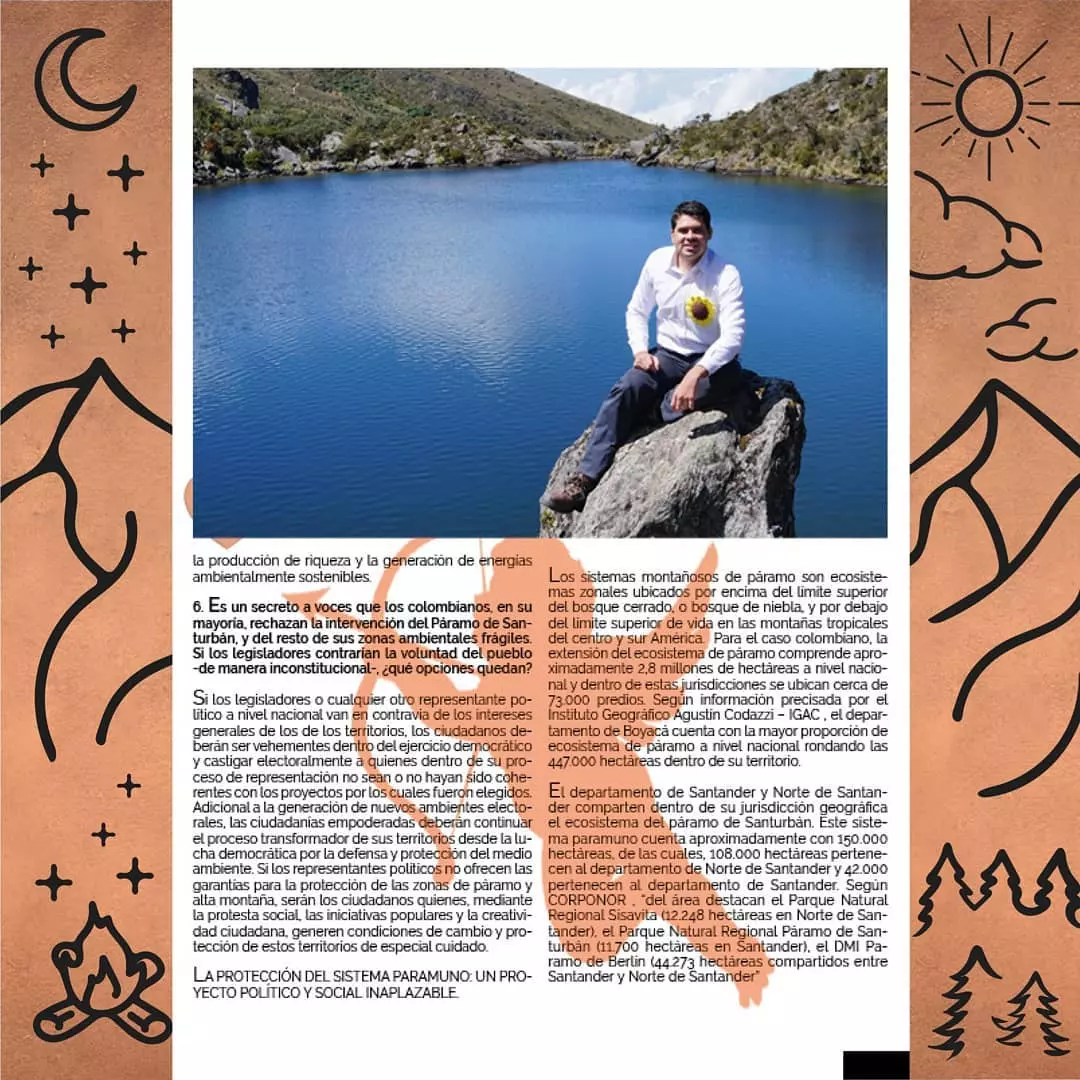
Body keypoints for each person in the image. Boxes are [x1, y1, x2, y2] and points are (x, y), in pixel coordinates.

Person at [544, 199, 746, 513]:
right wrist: (639, 350)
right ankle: (583, 480)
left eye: (697, 231)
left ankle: (653, 413)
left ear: (709, 234)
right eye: (683, 231)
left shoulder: (725, 274)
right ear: (672, 234)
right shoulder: (656, 263)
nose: (689, 237)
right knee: (625, 389)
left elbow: (733, 336)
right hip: (666, 356)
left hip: (712, 363)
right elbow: (637, 311)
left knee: (703, 392)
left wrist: (696, 374)